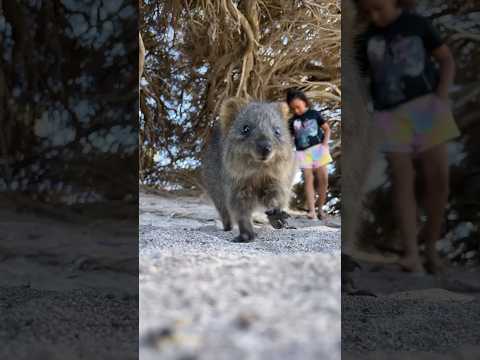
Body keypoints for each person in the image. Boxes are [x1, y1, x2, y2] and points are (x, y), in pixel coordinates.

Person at [354, 0, 460, 273]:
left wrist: (442, 96)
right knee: (404, 181)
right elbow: (361, 80)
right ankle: (412, 254)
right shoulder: (367, 37)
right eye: (368, 11)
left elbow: (445, 59)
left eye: (378, 8)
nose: (375, 16)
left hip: (427, 105)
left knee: (438, 180)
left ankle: (432, 249)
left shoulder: (417, 23)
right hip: (389, 114)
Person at [286, 89, 332, 220]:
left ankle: (320, 208)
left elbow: (327, 129)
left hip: (318, 149)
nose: (296, 111)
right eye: (293, 108)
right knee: (308, 180)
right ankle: (312, 211)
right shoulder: (292, 121)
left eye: (298, 107)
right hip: (302, 152)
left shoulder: (314, 114)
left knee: (323, 179)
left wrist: (325, 143)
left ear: (304, 102)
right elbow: (289, 137)